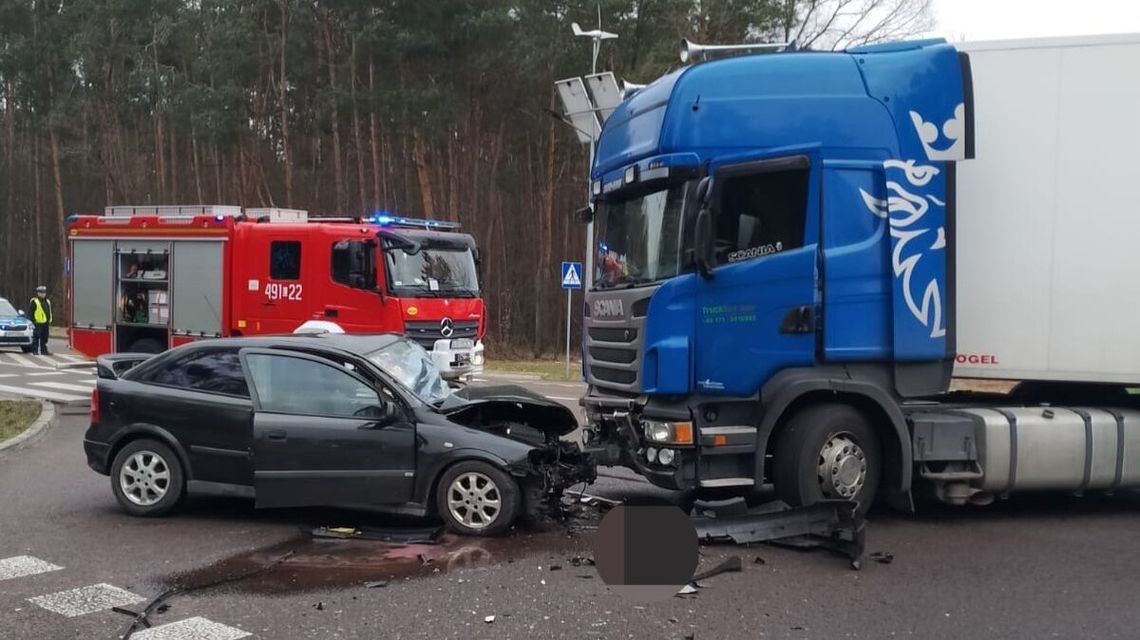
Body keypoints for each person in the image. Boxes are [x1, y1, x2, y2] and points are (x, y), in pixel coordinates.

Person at [28, 285, 53, 356]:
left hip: (46, 323)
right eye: (41, 292)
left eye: (44, 292)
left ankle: (44, 351)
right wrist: (33, 321)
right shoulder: (34, 301)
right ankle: (35, 351)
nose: (43, 294)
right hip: (38, 323)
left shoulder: (47, 301)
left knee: (44, 338)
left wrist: (50, 320)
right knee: (36, 337)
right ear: (38, 293)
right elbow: (30, 312)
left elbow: (49, 311)